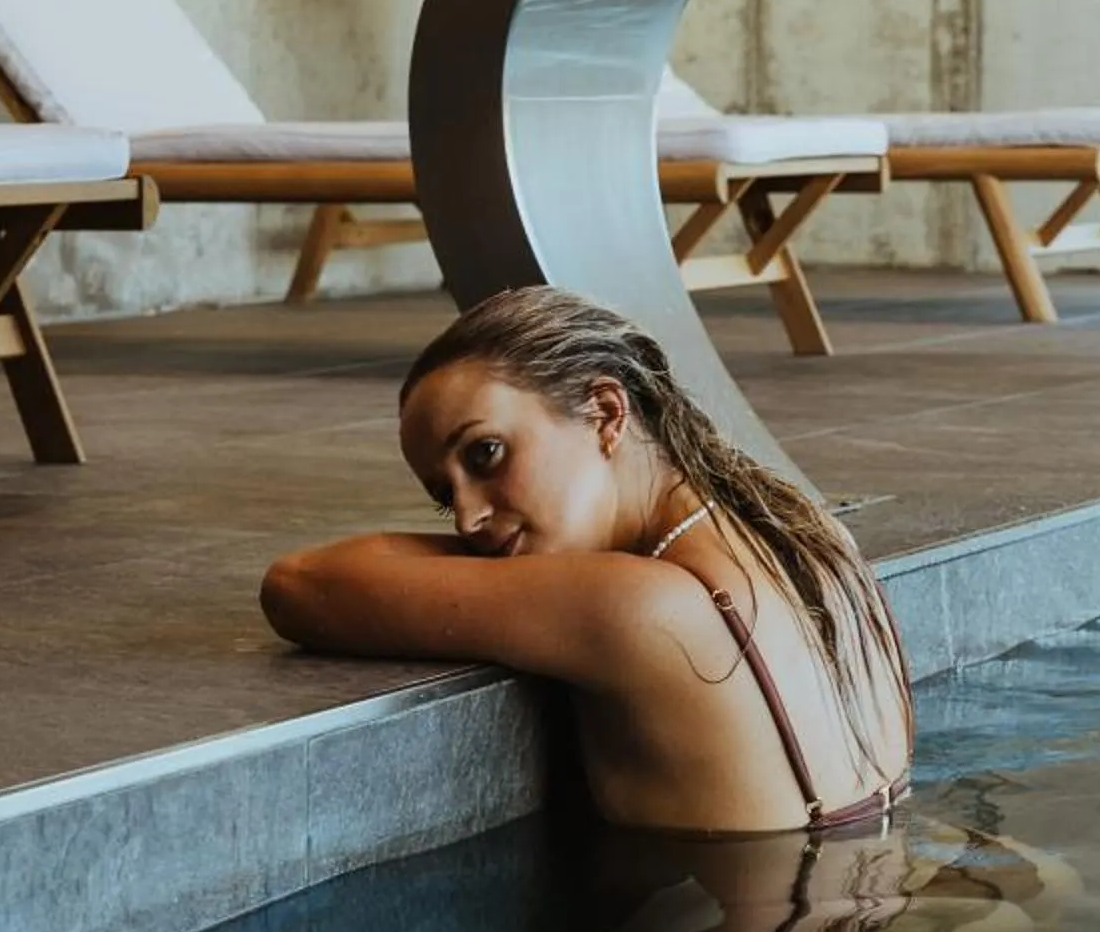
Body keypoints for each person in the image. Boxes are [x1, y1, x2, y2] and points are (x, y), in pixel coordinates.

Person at [260, 284, 913, 837]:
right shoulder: (809, 532)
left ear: (605, 413)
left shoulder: (637, 604)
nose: (467, 519)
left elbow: (299, 585)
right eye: (443, 496)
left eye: (485, 455)